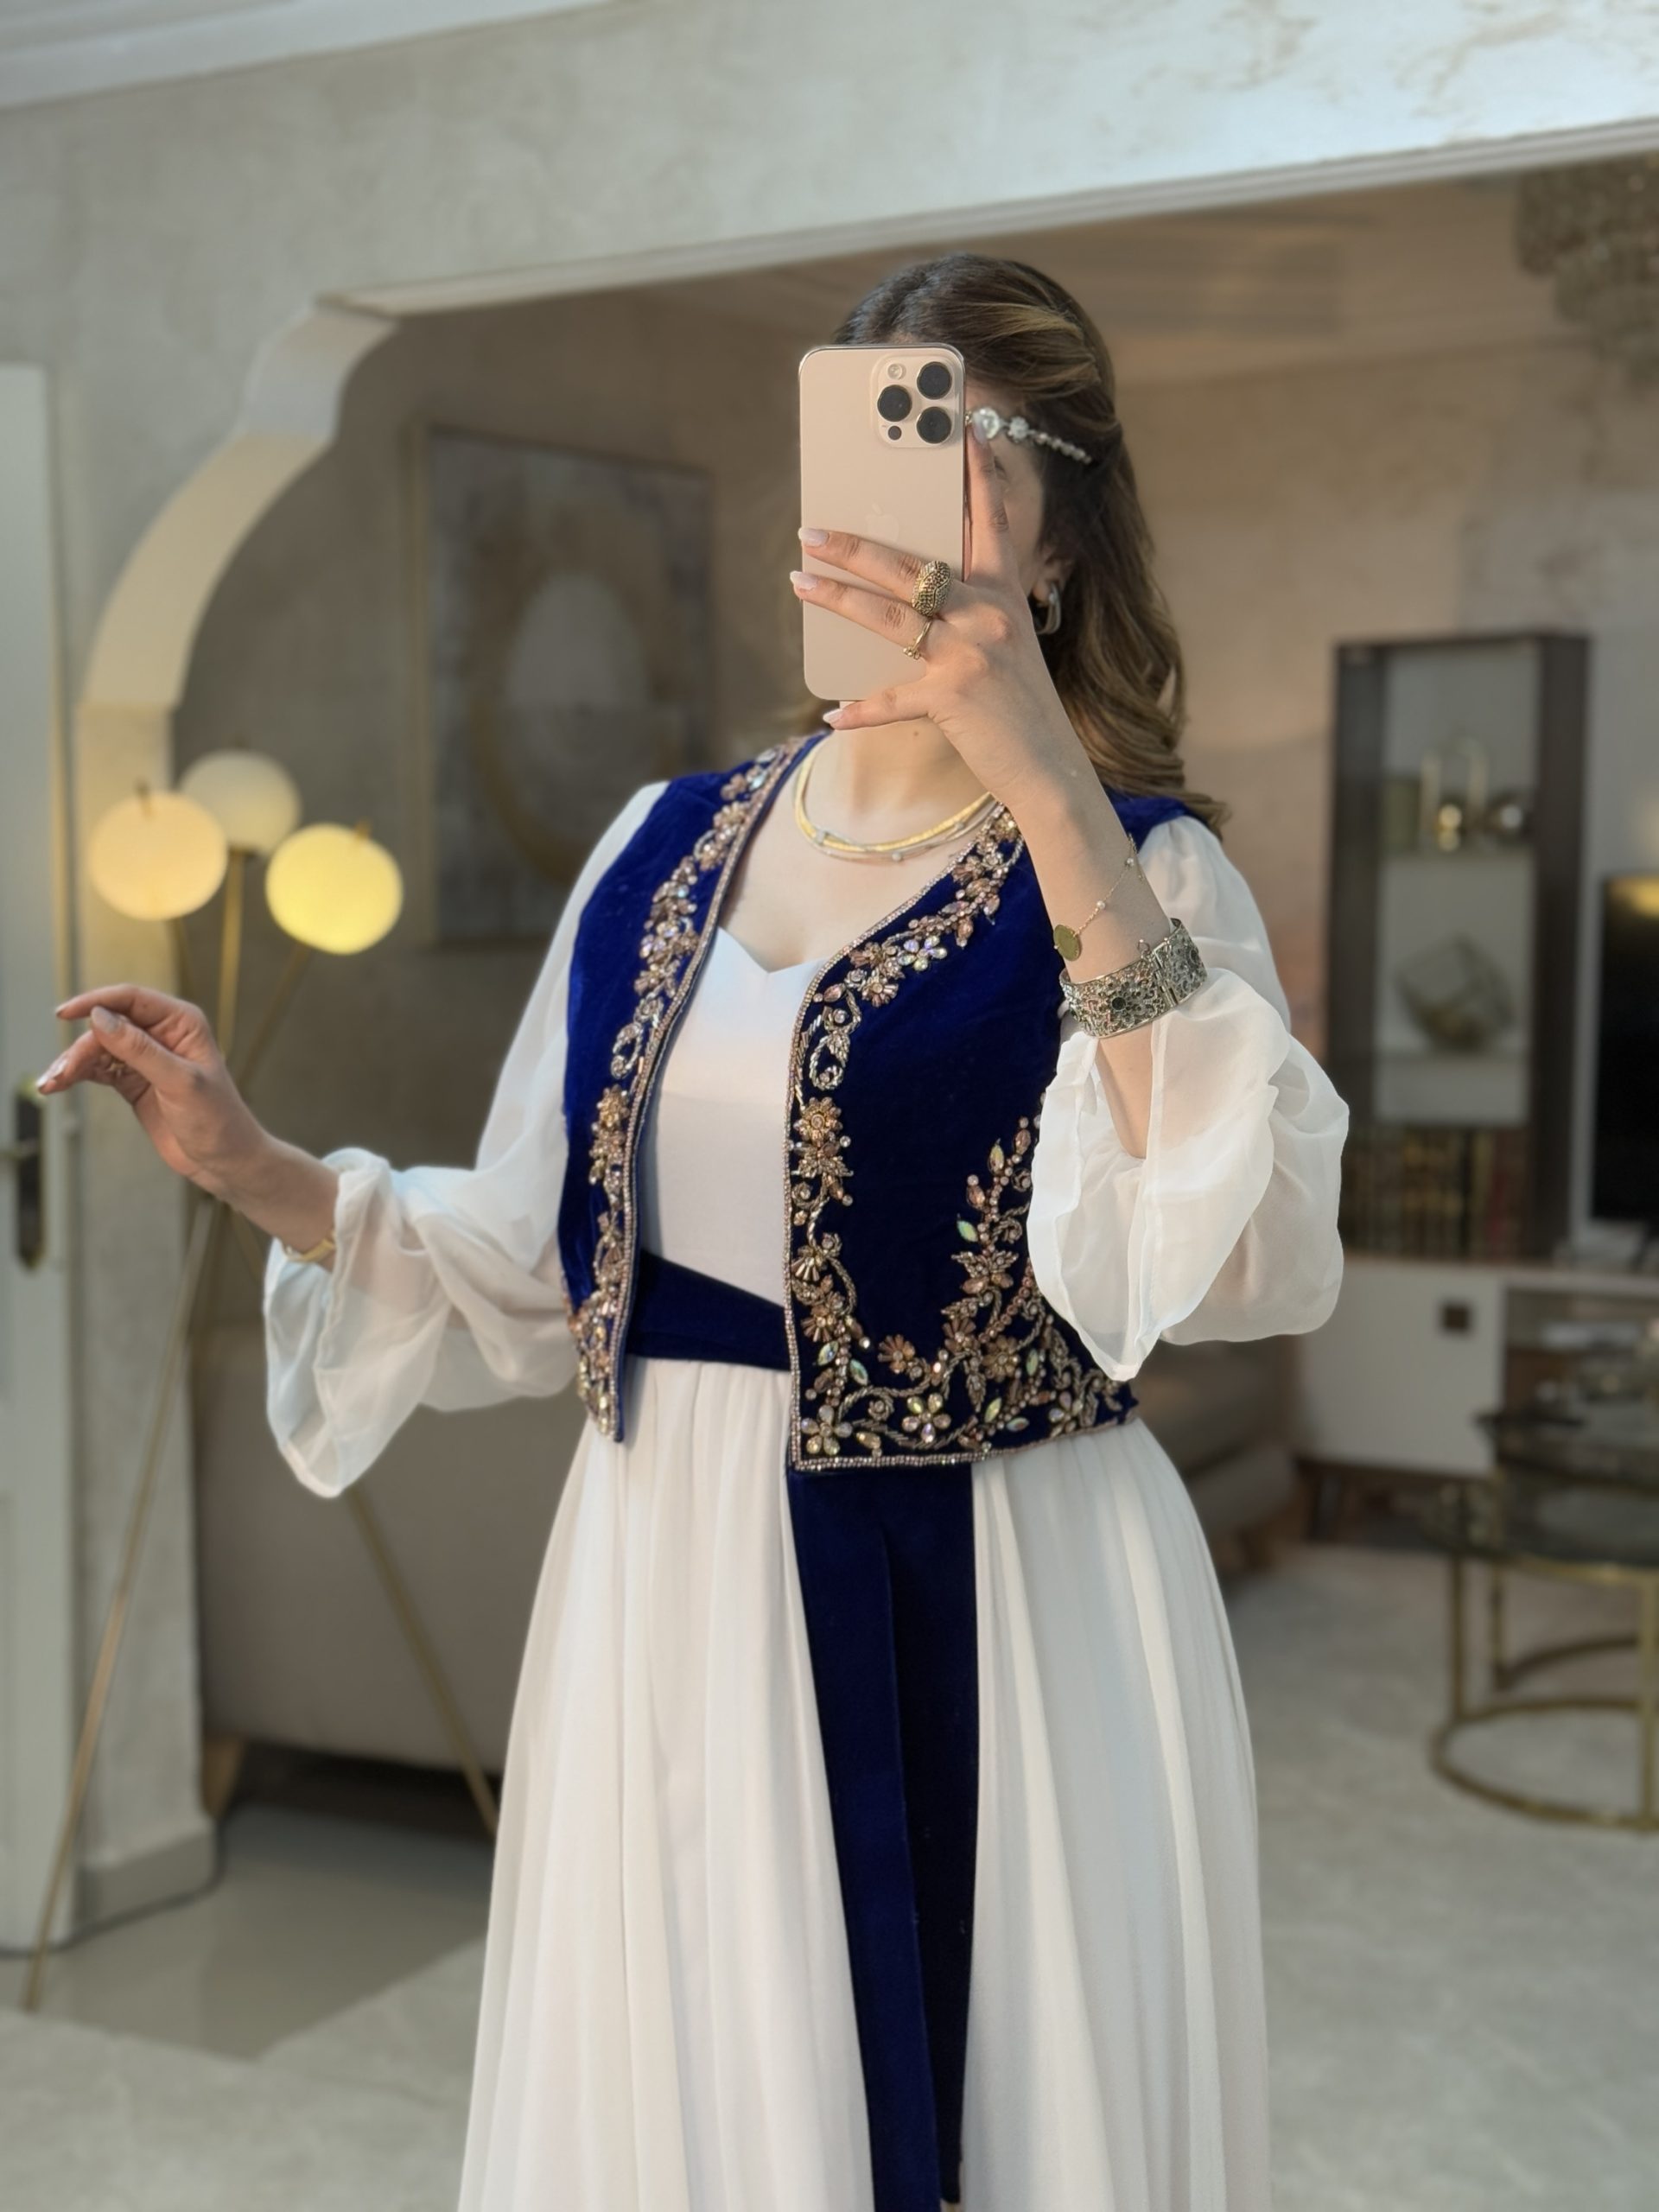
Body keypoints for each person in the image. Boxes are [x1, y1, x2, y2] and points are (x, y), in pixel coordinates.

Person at [41, 253, 1349, 2212]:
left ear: (1062, 540)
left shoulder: (1142, 867)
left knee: (1010, 2099)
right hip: (669, 1574)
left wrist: (1046, 781)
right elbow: (533, 1258)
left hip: (1010, 1585)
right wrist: (261, 1168)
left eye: (951, 469)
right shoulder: (656, 845)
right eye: (851, 461)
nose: (878, 529)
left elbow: (1236, 1256)